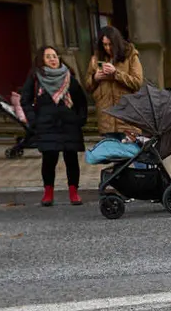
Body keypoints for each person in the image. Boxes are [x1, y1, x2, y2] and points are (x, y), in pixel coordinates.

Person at [21, 45, 88, 207]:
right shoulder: (36, 78)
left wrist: (80, 119)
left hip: (69, 124)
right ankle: (48, 193)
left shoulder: (69, 77)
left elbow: (81, 101)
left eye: (55, 56)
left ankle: (73, 192)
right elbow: (26, 100)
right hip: (46, 125)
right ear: (42, 60)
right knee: (49, 159)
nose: (53, 59)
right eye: (48, 56)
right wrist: (33, 120)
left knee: (71, 159)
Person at [84, 25, 143, 138]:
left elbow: (137, 82)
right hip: (106, 118)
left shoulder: (130, 55)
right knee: (110, 154)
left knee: (128, 154)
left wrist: (116, 74)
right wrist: (95, 78)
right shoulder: (95, 59)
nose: (107, 48)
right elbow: (87, 86)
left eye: (110, 44)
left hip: (127, 117)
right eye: (104, 44)